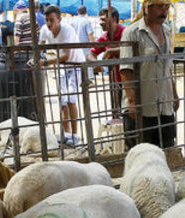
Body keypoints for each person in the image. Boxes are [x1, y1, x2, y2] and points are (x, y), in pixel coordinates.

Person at [120, 0, 178, 149]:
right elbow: (126, 70)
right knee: (142, 154)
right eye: (160, 7)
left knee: (167, 150)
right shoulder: (132, 32)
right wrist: (133, 102)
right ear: (147, 6)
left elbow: (168, 66)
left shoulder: (166, 30)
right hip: (142, 106)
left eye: (166, 7)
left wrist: (174, 94)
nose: (164, 11)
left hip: (164, 104)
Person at [40, 4, 85, 145]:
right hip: (62, 66)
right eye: (47, 20)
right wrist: (36, 58)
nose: (48, 23)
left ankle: (75, 135)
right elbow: (39, 48)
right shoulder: (44, 30)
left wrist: (46, 62)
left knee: (71, 98)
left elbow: (66, 55)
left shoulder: (67, 30)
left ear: (59, 19)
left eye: (51, 20)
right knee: (62, 99)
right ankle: (66, 134)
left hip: (75, 64)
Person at [87, 7, 125, 115]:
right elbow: (90, 54)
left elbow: (131, 49)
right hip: (115, 83)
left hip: (130, 80)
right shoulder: (104, 38)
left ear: (113, 19)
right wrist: (95, 63)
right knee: (117, 114)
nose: (100, 23)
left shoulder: (126, 32)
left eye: (103, 19)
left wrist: (111, 51)